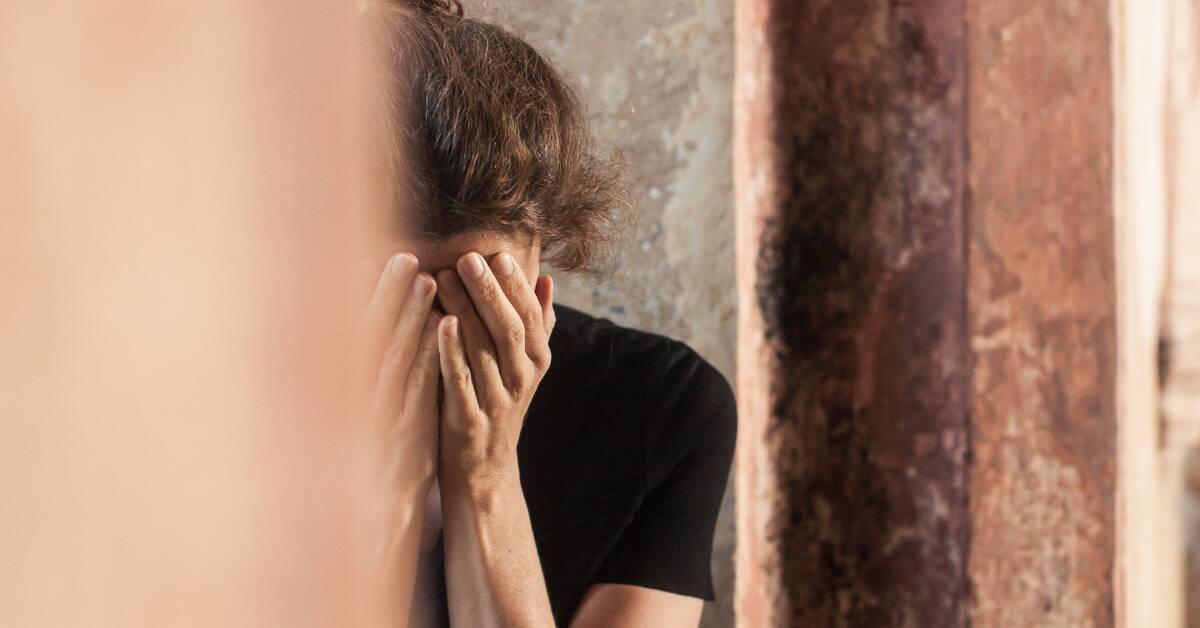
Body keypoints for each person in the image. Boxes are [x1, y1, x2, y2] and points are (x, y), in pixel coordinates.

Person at [360, 1, 736, 626]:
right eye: (397, 298)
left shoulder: (660, 406)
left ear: (542, 264)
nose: (438, 342)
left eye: (474, 300)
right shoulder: (211, 408)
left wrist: (483, 478)